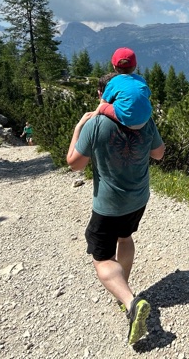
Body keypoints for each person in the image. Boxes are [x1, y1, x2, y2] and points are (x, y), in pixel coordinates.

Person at [66, 100, 165, 346]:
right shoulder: (143, 118)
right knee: (125, 237)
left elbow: (75, 164)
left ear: (103, 95)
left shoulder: (95, 123)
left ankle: (131, 302)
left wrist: (79, 127)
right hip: (138, 199)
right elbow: (159, 153)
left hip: (108, 205)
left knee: (101, 259)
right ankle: (123, 292)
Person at [96, 47, 153, 129]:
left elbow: (103, 102)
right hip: (145, 119)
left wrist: (95, 114)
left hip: (127, 120)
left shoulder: (114, 81)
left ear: (114, 66)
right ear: (135, 66)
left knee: (102, 107)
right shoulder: (141, 80)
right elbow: (146, 95)